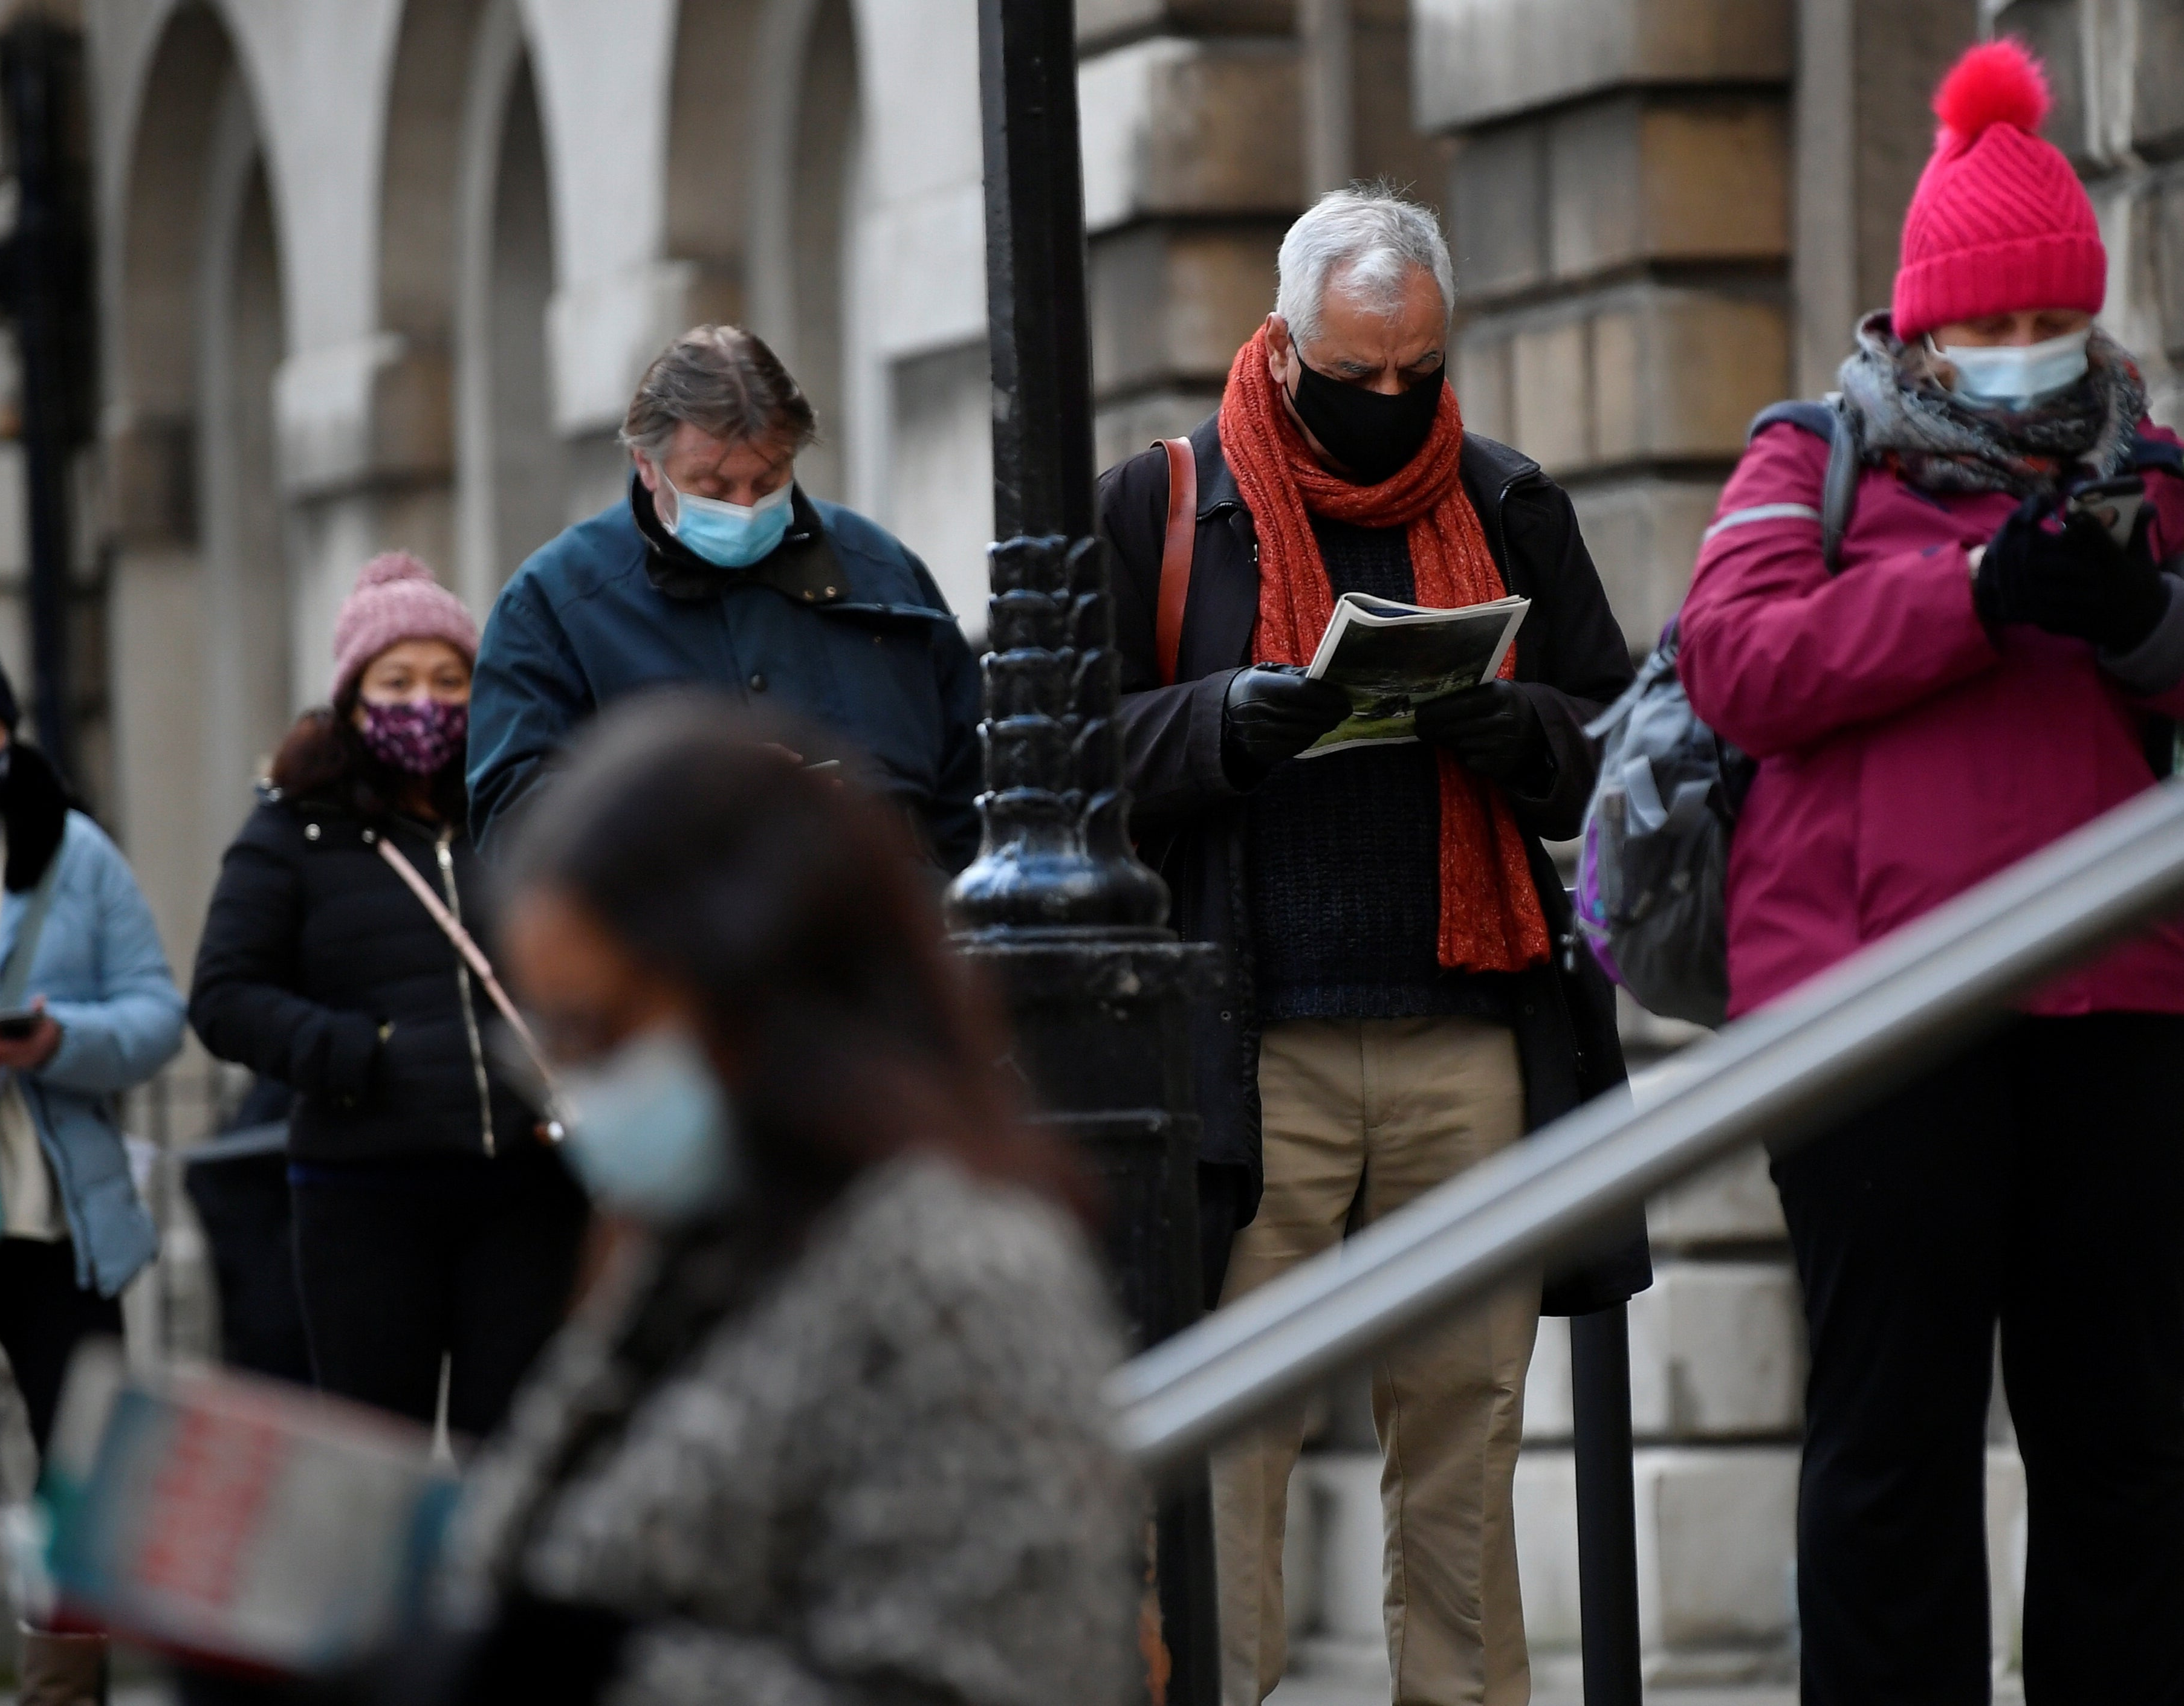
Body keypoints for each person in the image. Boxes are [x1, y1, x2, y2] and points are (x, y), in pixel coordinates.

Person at [1678, 40, 2184, 1705]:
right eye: (1983, 326)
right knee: (1889, 1442)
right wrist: (1976, 595)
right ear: (1915, 324)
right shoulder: (1806, 461)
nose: (2015, 356)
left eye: (2043, 322)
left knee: (2117, 1447)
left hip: (2111, 1005)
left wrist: (2137, 623)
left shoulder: (2151, 479)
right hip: (1869, 1012)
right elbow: (1735, 659)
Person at [1097, 187, 1647, 1706]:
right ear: (1283, 349)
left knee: (1466, 1441)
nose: (1390, 402)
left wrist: (1513, 725)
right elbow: (1051, 760)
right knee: (1228, 1448)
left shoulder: (1508, 497)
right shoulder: (1161, 503)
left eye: (1418, 373)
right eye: (1357, 375)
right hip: (1247, 1046)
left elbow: (1614, 743)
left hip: (1463, 1027)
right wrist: (1222, 721)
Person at [401, 696, 1136, 1706]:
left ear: (755, 987)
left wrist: (569, 1672)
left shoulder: (961, 1274)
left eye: (598, 1030)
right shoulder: (698, 1238)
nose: (577, 1084)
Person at [187, 553, 586, 1442]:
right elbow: (222, 996)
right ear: (351, 695)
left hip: (524, 1188)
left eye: (450, 679)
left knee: (514, 1450)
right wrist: (356, 1051)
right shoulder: (292, 830)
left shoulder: (512, 811)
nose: (425, 703)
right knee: (378, 1457)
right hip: (364, 1196)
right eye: (396, 679)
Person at [0, 568, 183, 1706]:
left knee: (86, 1470)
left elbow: (158, 1011)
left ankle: (64, 1691)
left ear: (8, 735)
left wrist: (56, 1038)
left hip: (57, 1217)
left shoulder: (77, 854)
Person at [465, 326, 982, 872]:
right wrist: (684, 804)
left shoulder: (881, 570)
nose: (743, 506)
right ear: (646, 464)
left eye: (767, 480)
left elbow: (975, 789)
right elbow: (512, 829)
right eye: (712, 488)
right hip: (675, 947)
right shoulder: (554, 602)